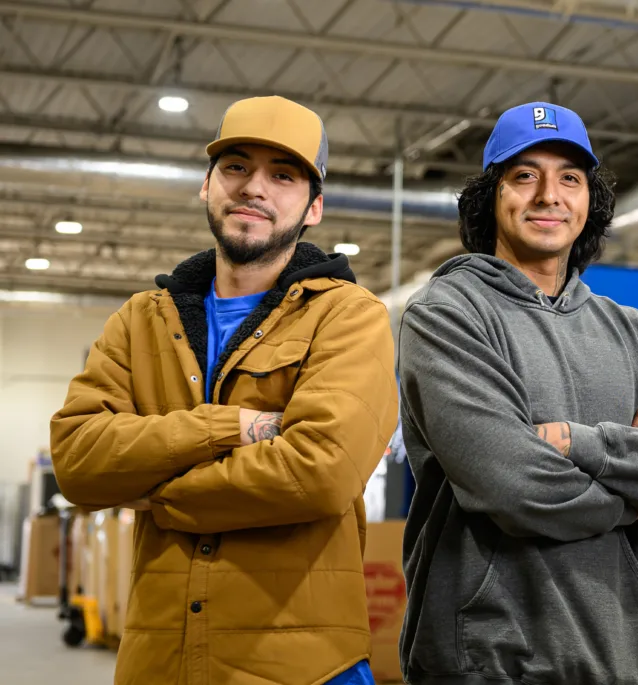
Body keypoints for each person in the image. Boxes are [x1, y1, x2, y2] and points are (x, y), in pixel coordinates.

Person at [50, 95, 398, 685]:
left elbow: (321, 472)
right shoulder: (140, 321)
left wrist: (156, 494)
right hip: (159, 665)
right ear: (207, 186)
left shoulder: (347, 316)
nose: (254, 188)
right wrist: (231, 427)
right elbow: (78, 464)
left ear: (313, 207)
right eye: (236, 167)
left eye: (282, 175)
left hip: (301, 667)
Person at [395, 102, 638, 685]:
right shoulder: (448, 314)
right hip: (486, 659)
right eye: (524, 176)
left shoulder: (631, 333)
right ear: (491, 198)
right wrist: (636, 492)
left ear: (587, 203)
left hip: (613, 655)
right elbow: (515, 488)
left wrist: (581, 443)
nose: (549, 194)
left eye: (569, 178)